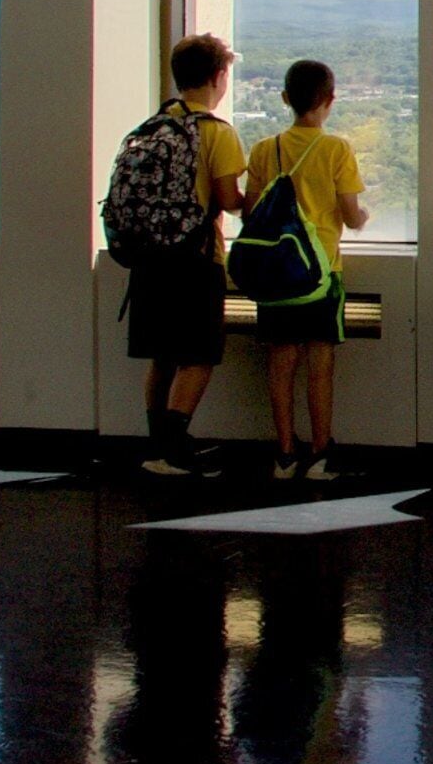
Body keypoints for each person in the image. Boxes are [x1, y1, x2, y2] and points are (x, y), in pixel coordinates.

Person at [127, 35, 251, 477]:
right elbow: (228, 199)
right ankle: (173, 450)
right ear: (219, 77)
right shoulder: (216, 132)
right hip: (195, 260)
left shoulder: (155, 125)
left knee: (163, 355)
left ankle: (156, 442)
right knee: (198, 355)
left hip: (149, 259)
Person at [244, 58, 368, 482]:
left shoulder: (264, 149)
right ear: (330, 100)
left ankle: (283, 454)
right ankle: (319, 454)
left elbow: (251, 212)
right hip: (322, 277)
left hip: (276, 278)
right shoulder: (336, 150)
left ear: (284, 99)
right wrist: (364, 217)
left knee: (280, 365)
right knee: (320, 365)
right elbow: (351, 216)